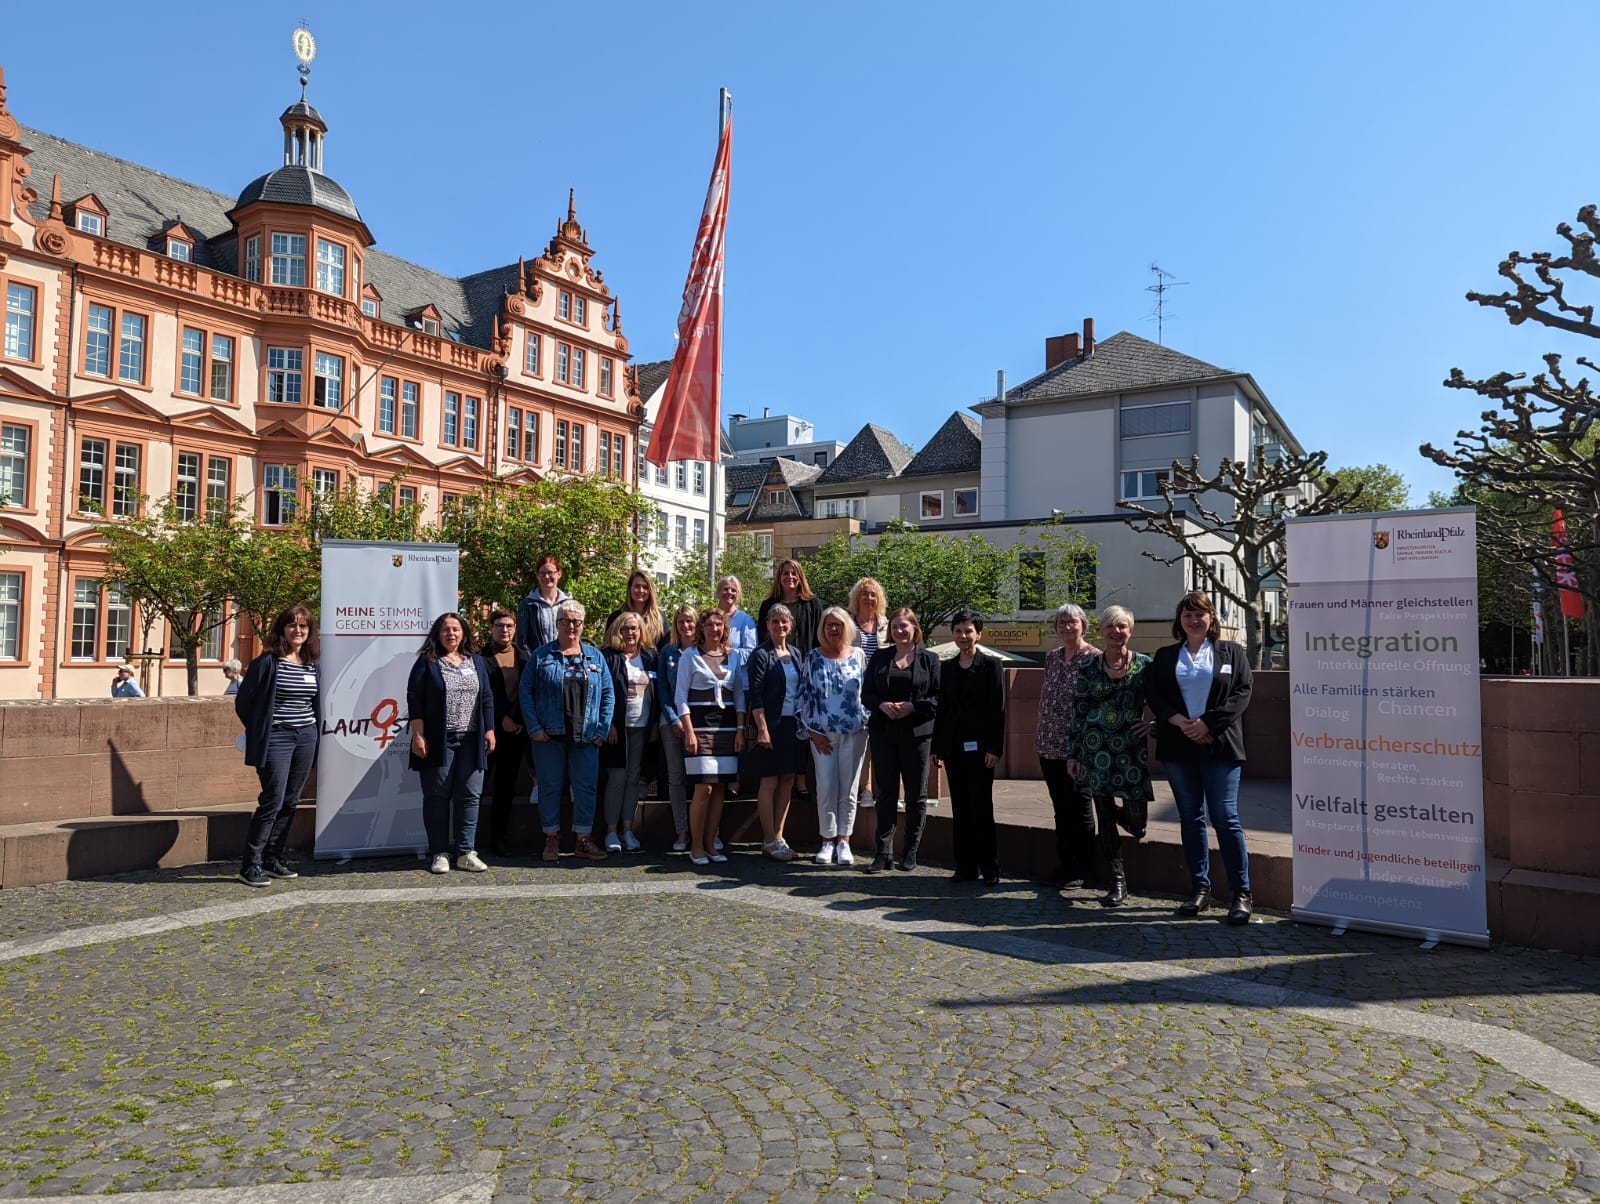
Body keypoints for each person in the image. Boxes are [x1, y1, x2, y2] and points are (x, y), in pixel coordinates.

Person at [1145, 590, 1256, 925]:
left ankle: (1241, 893)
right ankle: (1200, 888)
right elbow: (1154, 693)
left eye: (1200, 614)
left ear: (1211, 619)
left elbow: (1242, 693)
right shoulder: (1165, 656)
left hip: (1219, 745)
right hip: (1179, 746)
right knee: (1191, 817)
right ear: (1180, 621)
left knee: (1225, 817)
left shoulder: (1231, 652)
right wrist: (1179, 721)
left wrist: (1207, 723)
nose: (1194, 620)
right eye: (1187, 615)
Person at [1067, 606, 1153, 908]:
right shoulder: (1089, 667)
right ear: (1101, 631)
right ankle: (1118, 881)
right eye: (1110, 627)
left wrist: (1155, 725)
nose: (1117, 632)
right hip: (1095, 749)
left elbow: (1166, 700)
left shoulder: (1145, 665)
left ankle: (1122, 820)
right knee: (1103, 813)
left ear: (1130, 630)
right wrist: (1073, 753)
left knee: (1138, 823)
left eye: (1122, 627)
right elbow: (1078, 711)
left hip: (1130, 750)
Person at [520, 599, 613, 864]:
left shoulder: (595, 656)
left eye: (576, 621)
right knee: (549, 786)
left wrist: (603, 729)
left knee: (586, 787)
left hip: (586, 735)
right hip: (548, 735)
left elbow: (608, 695)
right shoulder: (541, 656)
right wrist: (534, 727)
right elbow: (525, 692)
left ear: (582, 625)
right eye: (565, 621)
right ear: (557, 624)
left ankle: (583, 839)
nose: (571, 626)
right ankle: (551, 838)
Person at [233, 605, 320, 888]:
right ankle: (251, 863)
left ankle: (273, 857)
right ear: (282, 629)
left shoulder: (310, 664)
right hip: (277, 738)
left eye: (303, 626)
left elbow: (312, 703)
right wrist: (263, 730)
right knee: (273, 798)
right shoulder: (268, 662)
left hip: (306, 736)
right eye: (292, 625)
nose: (298, 630)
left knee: (291, 800)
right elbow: (244, 703)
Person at [408, 612, 496, 875]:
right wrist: (418, 735)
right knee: (437, 797)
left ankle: (466, 852)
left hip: (472, 739)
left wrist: (490, 729)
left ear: (464, 633)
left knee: (470, 796)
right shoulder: (428, 662)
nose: (451, 634)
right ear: (437, 634)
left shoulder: (476, 661)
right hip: (439, 739)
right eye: (446, 630)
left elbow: (487, 697)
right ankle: (439, 852)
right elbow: (415, 700)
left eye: (456, 629)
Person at [862, 607, 940, 873]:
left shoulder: (930, 660)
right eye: (894, 627)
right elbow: (866, 694)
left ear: (914, 628)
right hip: (884, 733)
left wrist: (912, 707)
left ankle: (910, 851)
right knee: (885, 794)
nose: (899, 631)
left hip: (917, 735)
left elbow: (937, 698)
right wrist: (882, 704)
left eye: (904, 626)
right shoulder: (881, 658)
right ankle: (883, 852)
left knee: (916, 797)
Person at [934, 609, 1006, 885]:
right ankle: (965, 866)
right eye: (958, 631)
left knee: (981, 808)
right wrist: (938, 748)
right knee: (961, 808)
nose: (963, 636)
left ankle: (990, 867)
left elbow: (997, 710)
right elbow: (943, 711)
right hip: (953, 748)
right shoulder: (947, 668)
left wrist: (994, 748)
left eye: (968, 631)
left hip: (981, 749)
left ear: (979, 634)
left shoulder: (991, 666)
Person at [796, 606, 870, 867]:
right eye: (829, 625)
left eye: (838, 624)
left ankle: (844, 841)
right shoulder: (813, 658)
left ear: (846, 627)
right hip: (822, 735)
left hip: (855, 733)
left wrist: (867, 720)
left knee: (848, 790)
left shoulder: (859, 656)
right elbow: (802, 696)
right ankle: (827, 840)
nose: (833, 629)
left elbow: (869, 694)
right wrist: (813, 733)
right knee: (826, 787)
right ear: (822, 629)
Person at [1036, 603, 1102, 889]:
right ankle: (1065, 864)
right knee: (1060, 808)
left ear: (1083, 626)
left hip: (1078, 747)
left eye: (1071, 622)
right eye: (1061, 623)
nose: (1066, 627)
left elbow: (1096, 705)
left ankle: (1084, 867)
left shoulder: (1094, 658)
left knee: (1080, 807)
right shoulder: (1052, 657)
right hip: (1048, 744)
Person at [675, 608, 747, 866]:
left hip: (727, 730)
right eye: (709, 625)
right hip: (700, 728)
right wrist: (689, 731)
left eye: (718, 625)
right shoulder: (689, 656)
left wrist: (740, 730)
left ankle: (710, 844)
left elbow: (739, 695)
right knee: (703, 786)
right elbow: (680, 696)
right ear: (701, 629)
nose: (714, 629)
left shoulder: (735, 657)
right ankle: (695, 846)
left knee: (719, 788)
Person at [745, 604, 802, 861]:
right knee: (769, 781)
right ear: (768, 625)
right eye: (775, 621)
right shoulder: (761, 654)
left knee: (788, 780)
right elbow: (755, 695)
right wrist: (762, 729)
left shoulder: (797, 654)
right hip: (771, 725)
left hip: (793, 725)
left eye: (784, 622)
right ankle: (768, 839)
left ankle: (779, 835)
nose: (780, 626)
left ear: (790, 626)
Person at [601, 612, 658, 852]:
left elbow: (657, 692)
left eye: (634, 628)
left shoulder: (649, 657)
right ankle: (611, 831)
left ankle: (628, 830)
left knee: (634, 779)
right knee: (616, 779)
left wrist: (654, 723)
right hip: (618, 727)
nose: (630, 633)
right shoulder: (609, 657)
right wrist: (610, 723)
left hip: (642, 726)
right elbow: (603, 692)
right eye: (625, 628)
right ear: (617, 630)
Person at [482, 608, 529, 857]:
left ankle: (501, 837)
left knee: (506, 788)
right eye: (500, 626)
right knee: (481, 786)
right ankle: (472, 838)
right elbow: (482, 695)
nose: (505, 630)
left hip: (517, 733)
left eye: (509, 626)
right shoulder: (480, 658)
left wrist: (519, 720)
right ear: (491, 628)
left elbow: (529, 692)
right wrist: (501, 719)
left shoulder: (524, 657)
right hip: (490, 731)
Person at [657, 605, 699, 851]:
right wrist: (674, 719)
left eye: (690, 621)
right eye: (681, 622)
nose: (685, 626)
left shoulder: (702, 651)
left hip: (697, 722)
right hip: (670, 722)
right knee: (676, 779)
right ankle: (681, 831)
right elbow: (663, 688)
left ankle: (704, 830)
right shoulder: (668, 652)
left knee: (702, 779)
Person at [848, 578, 888, 806]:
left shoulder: (885, 624)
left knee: (881, 742)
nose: (869, 598)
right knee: (862, 742)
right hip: (855, 690)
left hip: (881, 690)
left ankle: (884, 789)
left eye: (873, 594)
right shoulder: (849, 623)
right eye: (864, 594)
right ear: (857, 597)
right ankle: (865, 789)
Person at [758, 559, 822, 655]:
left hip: (805, 662)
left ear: (800, 577)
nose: (790, 577)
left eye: (794, 573)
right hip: (774, 661)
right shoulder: (767, 605)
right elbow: (762, 635)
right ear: (779, 577)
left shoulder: (812, 604)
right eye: (786, 573)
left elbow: (820, 636)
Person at [516, 555, 573, 656]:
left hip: (565, 661)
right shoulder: (528, 604)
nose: (547, 577)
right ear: (537, 576)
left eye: (550, 572)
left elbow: (575, 635)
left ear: (559, 574)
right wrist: (534, 662)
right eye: (542, 573)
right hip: (538, 663)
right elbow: (522, 641)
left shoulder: (569, 604)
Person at [604, 570, 666, 650]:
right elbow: (607, 647)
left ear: (650, 591)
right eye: (637, 586)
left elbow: (666, 649)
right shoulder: (616, 617)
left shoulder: (660, 618)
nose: (641, 590)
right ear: (630, 588)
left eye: (645, 587)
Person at [715, 575, 760, 659]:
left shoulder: (745, 620)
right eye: (725, 589)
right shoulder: (710, 617)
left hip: (736, 671)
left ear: (738, 595)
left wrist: (728, 653)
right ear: (718, 592)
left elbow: (752, 652)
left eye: (733, 590)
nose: (729, 592)